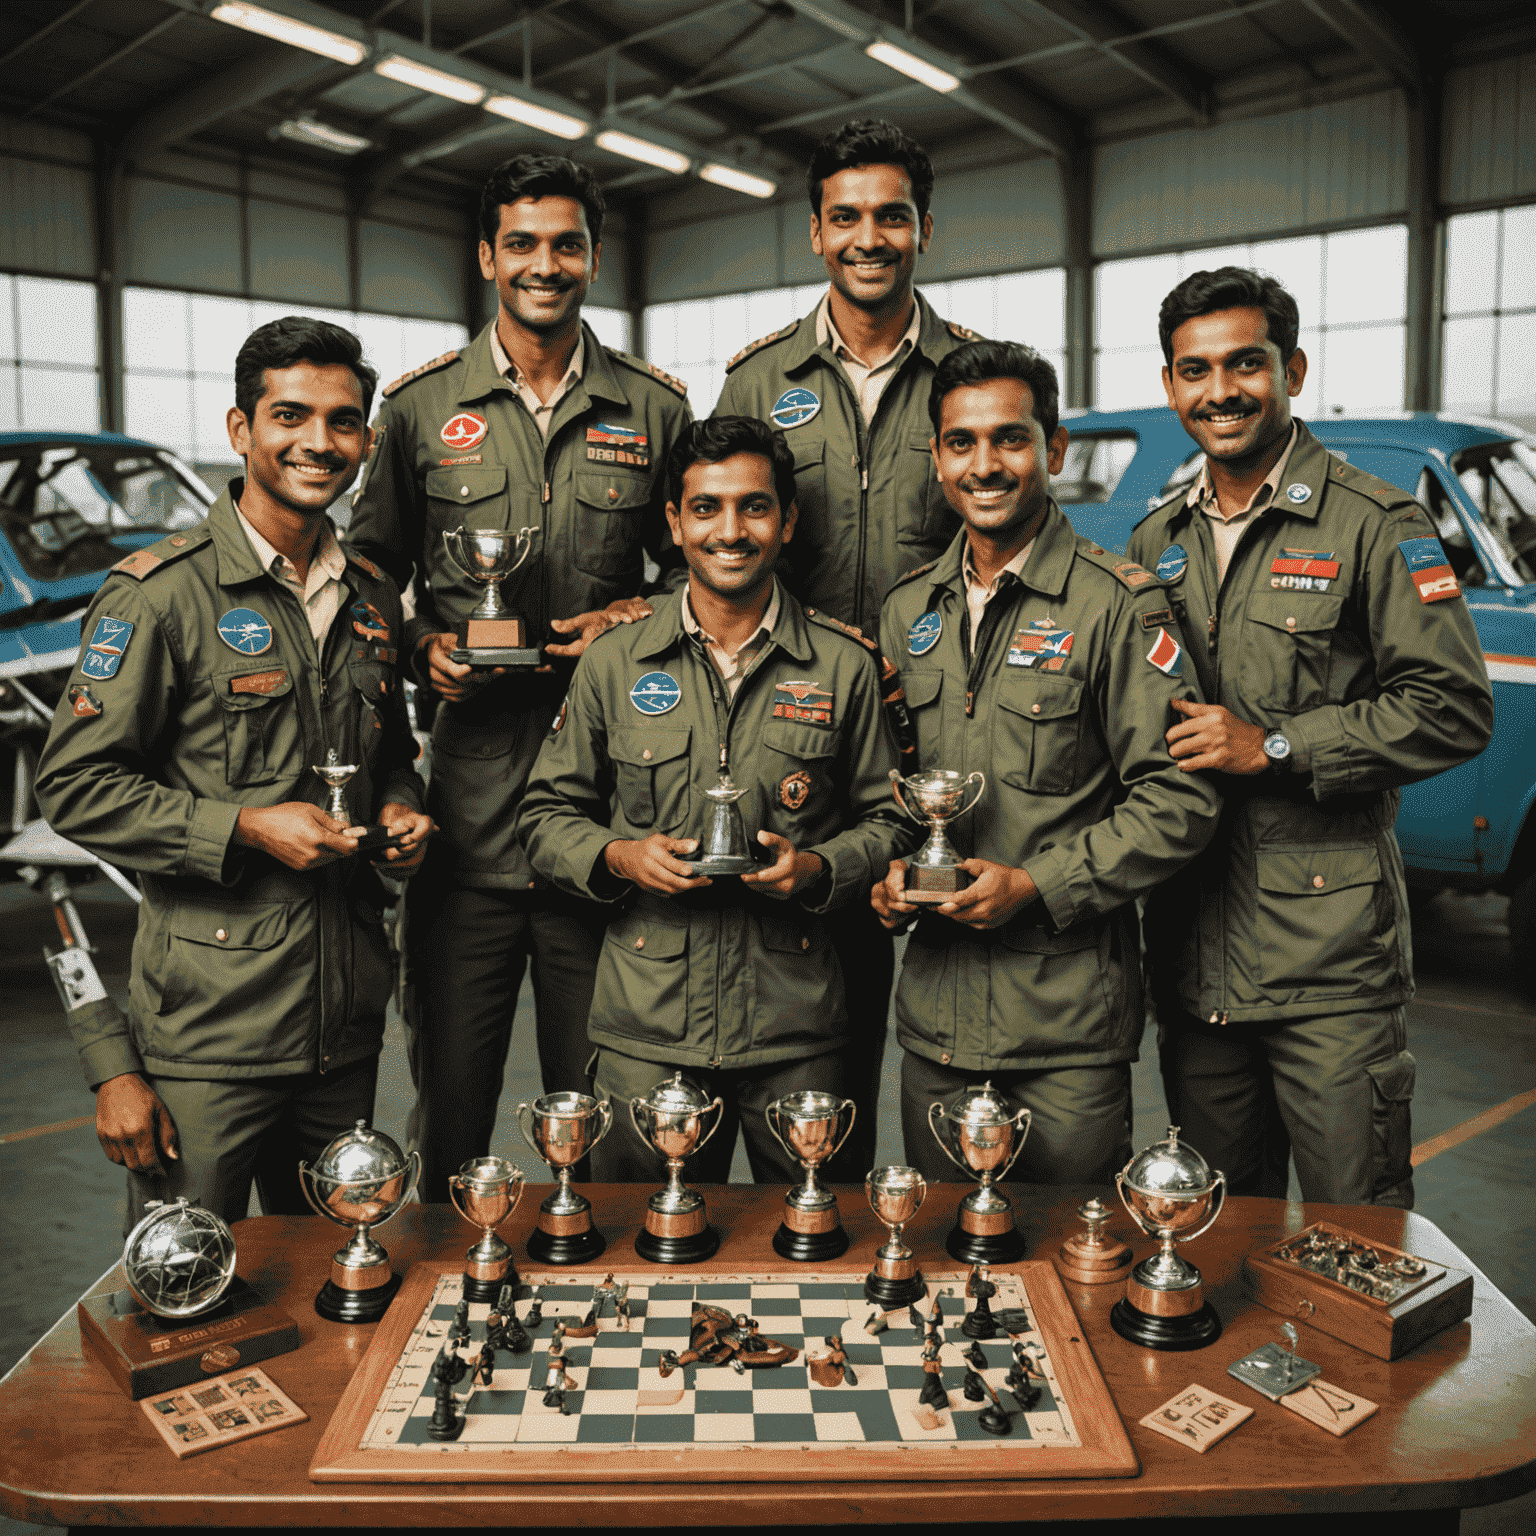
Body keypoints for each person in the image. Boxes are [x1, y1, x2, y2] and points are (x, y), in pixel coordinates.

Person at [347, 152, 693, 1202]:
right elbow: (370, 569)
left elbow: (704, 561)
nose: (547, 265)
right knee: (452, 1106)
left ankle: (596, 1308)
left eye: (568, 244)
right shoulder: (417, 408)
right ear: (488, 255)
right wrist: (421, 649)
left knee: (597, 1115)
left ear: (593, 256)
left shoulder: (653, 406)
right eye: (525, 244)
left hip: (604, 817)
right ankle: (455, 1319)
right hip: (470, 825)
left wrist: (640, 612)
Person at [35, 316, 432, 1229]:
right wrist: (250, 827)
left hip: (345, 1030)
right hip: (211, 1036)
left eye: (342, 422)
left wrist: (402, 808)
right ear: (240, 429)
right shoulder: (159, 594)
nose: (317, 443)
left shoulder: (372, 593)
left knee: (345, 1286)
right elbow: (74, 786)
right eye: (290, 415)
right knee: (189, 1293)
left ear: (367, 442)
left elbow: (391, 754)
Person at [1125, 266, 1494, 1207]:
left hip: (1330, 965)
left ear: (1290, 367)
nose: (1221, 392)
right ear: (1170, 386)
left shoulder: (1378, 524)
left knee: (1357, 1247)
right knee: (1209, 1240)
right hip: (1195, 953)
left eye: (1245, 364)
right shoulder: (1153, 542)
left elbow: (1454, 706)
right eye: (1195, 371)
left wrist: (1278, 746)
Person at [516, 416, 910, 1187]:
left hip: (796, 1026)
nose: (730, 531)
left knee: (813, 1243)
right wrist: (619, 855)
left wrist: (821, 868)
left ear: (788, 521)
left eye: (755, 507)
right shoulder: (612, 662)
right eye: (706, 508)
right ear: (674, 522)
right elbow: (543, 816)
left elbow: (894, 819)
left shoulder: (844, 664)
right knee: (642, 1257)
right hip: (647, 1026)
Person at [874, 341, 1222, 1187]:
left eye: (1011, 439)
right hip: (935, 1026)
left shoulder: (1121, 605)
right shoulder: (907, 609)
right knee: (943, 1275)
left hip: (1066, 1033)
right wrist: (885, 877)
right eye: (961, 442)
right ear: (937, 456)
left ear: (1054, 450)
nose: (984, 465)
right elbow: (890, 793)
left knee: (1074, 1275)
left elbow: (1181, 799)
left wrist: (1038, 886)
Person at [714, 117, 974, 1175]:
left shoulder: (970, 376)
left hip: (952, 749)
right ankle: (800, 1203)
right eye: (848, 217)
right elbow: (714, 537)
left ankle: (890, 1226)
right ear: (816, 233)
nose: (872, 237)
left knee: (948, 1023)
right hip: (798, 745)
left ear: (923, 227)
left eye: (893, 216)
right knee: (800, 1008)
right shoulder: (755, 381)